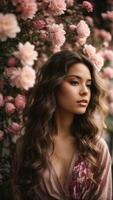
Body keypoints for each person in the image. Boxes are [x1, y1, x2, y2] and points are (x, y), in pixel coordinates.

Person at [11, 50, 112, 200]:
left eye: (89, 85)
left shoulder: (96, 148)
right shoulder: (27, 146)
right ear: (54, 85)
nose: (85, 91)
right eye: (74, 82)